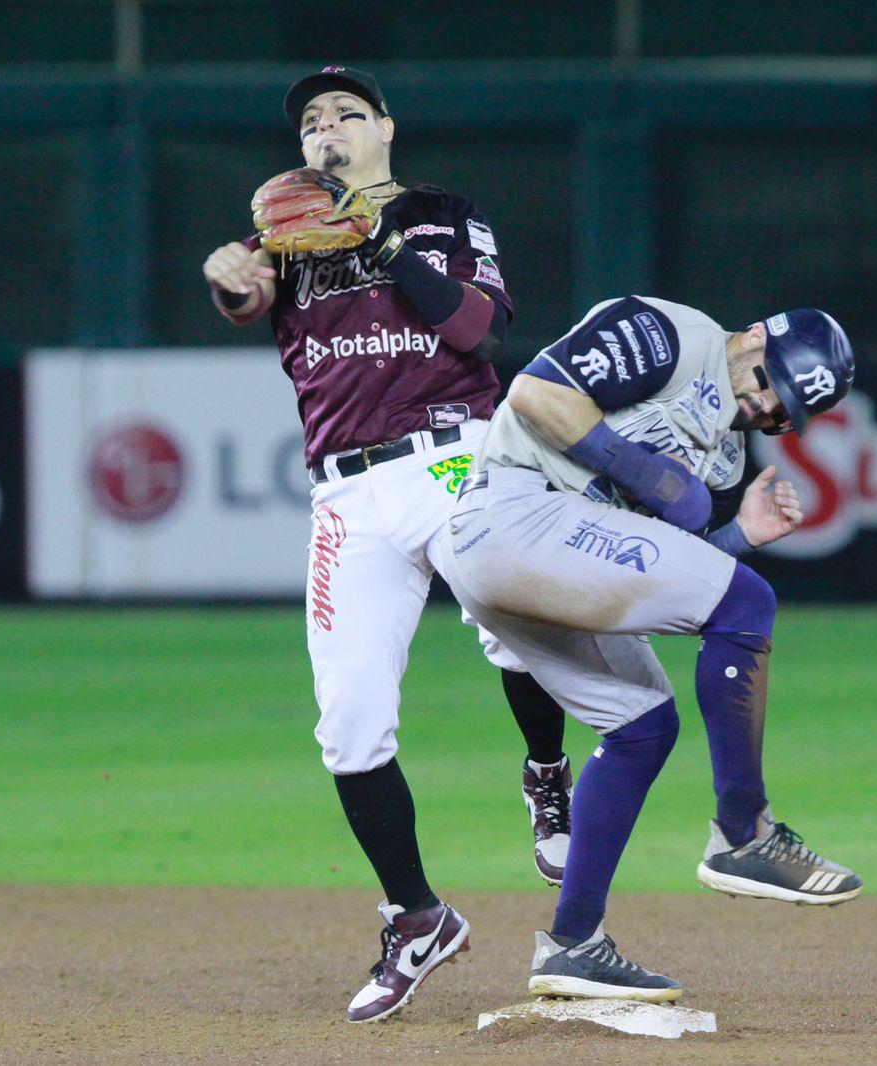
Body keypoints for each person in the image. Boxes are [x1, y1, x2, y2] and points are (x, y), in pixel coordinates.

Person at [200, 66, 573, 1023]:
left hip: (456, 458)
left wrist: (379, 238)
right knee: (349, 724)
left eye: (345, 116)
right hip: (348, 498)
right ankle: (418, 917)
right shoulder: (281, 231)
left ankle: (545, 774)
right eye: (312, 121)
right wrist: (227, 275)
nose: (325, 130)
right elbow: (244, 299)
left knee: (510, 621)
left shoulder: (445, 213)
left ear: (385, 131)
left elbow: (483, 332)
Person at [446, 297, 862, 1000]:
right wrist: (651, 474)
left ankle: (573, 943)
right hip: (511, 515)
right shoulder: (669, 335)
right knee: (750, 602)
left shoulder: (726, 458)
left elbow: (650, 568)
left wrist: (740, 540)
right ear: (756, 334)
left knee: (643, 726)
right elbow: (535, 393)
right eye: (769, 380)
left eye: (782, 410)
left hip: (541, 556)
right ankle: (744, 834)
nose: (764, 406)